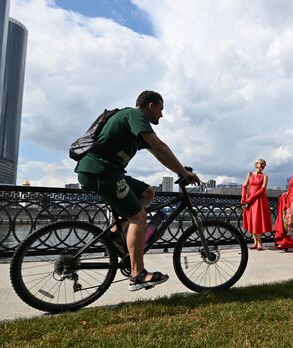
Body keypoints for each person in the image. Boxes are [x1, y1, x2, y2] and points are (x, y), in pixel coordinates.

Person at [75, 90, 200, 291]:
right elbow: (159, 146)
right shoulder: (135, 116)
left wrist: (180, 169)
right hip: (101, 171)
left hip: (109, 171)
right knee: (139, 216)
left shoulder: (136, 126)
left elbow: (159, 153)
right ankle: (137, 275)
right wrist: (184, 173)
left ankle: (115, 235)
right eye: (161, 109)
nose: (162, 115)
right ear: (151, 105)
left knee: (148, 193)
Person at [241, 159, 272, 250]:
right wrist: (243, 198)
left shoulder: (265, 176)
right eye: (260, 163)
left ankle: (260, 242)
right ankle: (255, 242)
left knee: (257, 220)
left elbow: (263, 189)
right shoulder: (250, 174)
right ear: (256, 165)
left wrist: (250, 198)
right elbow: (244, 186)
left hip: (259, 200)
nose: (262, 165)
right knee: (251, 220)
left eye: (263, 164)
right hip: (249, 200)